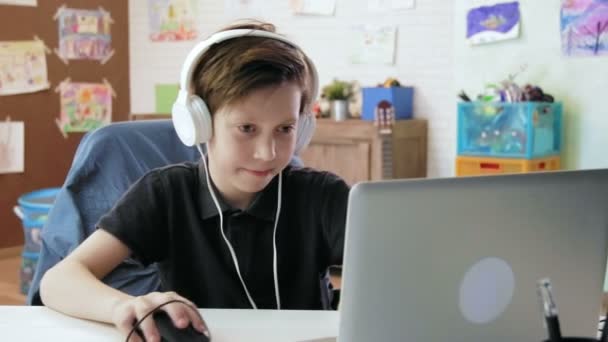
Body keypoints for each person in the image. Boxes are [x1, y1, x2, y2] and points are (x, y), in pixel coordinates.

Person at [40, 20, 350, 342]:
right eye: (246, 128)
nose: (267, 153)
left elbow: (395, 271)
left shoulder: (324, 195)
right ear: (198, 122)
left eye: (285, 129)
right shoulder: (166, 194)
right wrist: (123, 306)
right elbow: (58, 281)